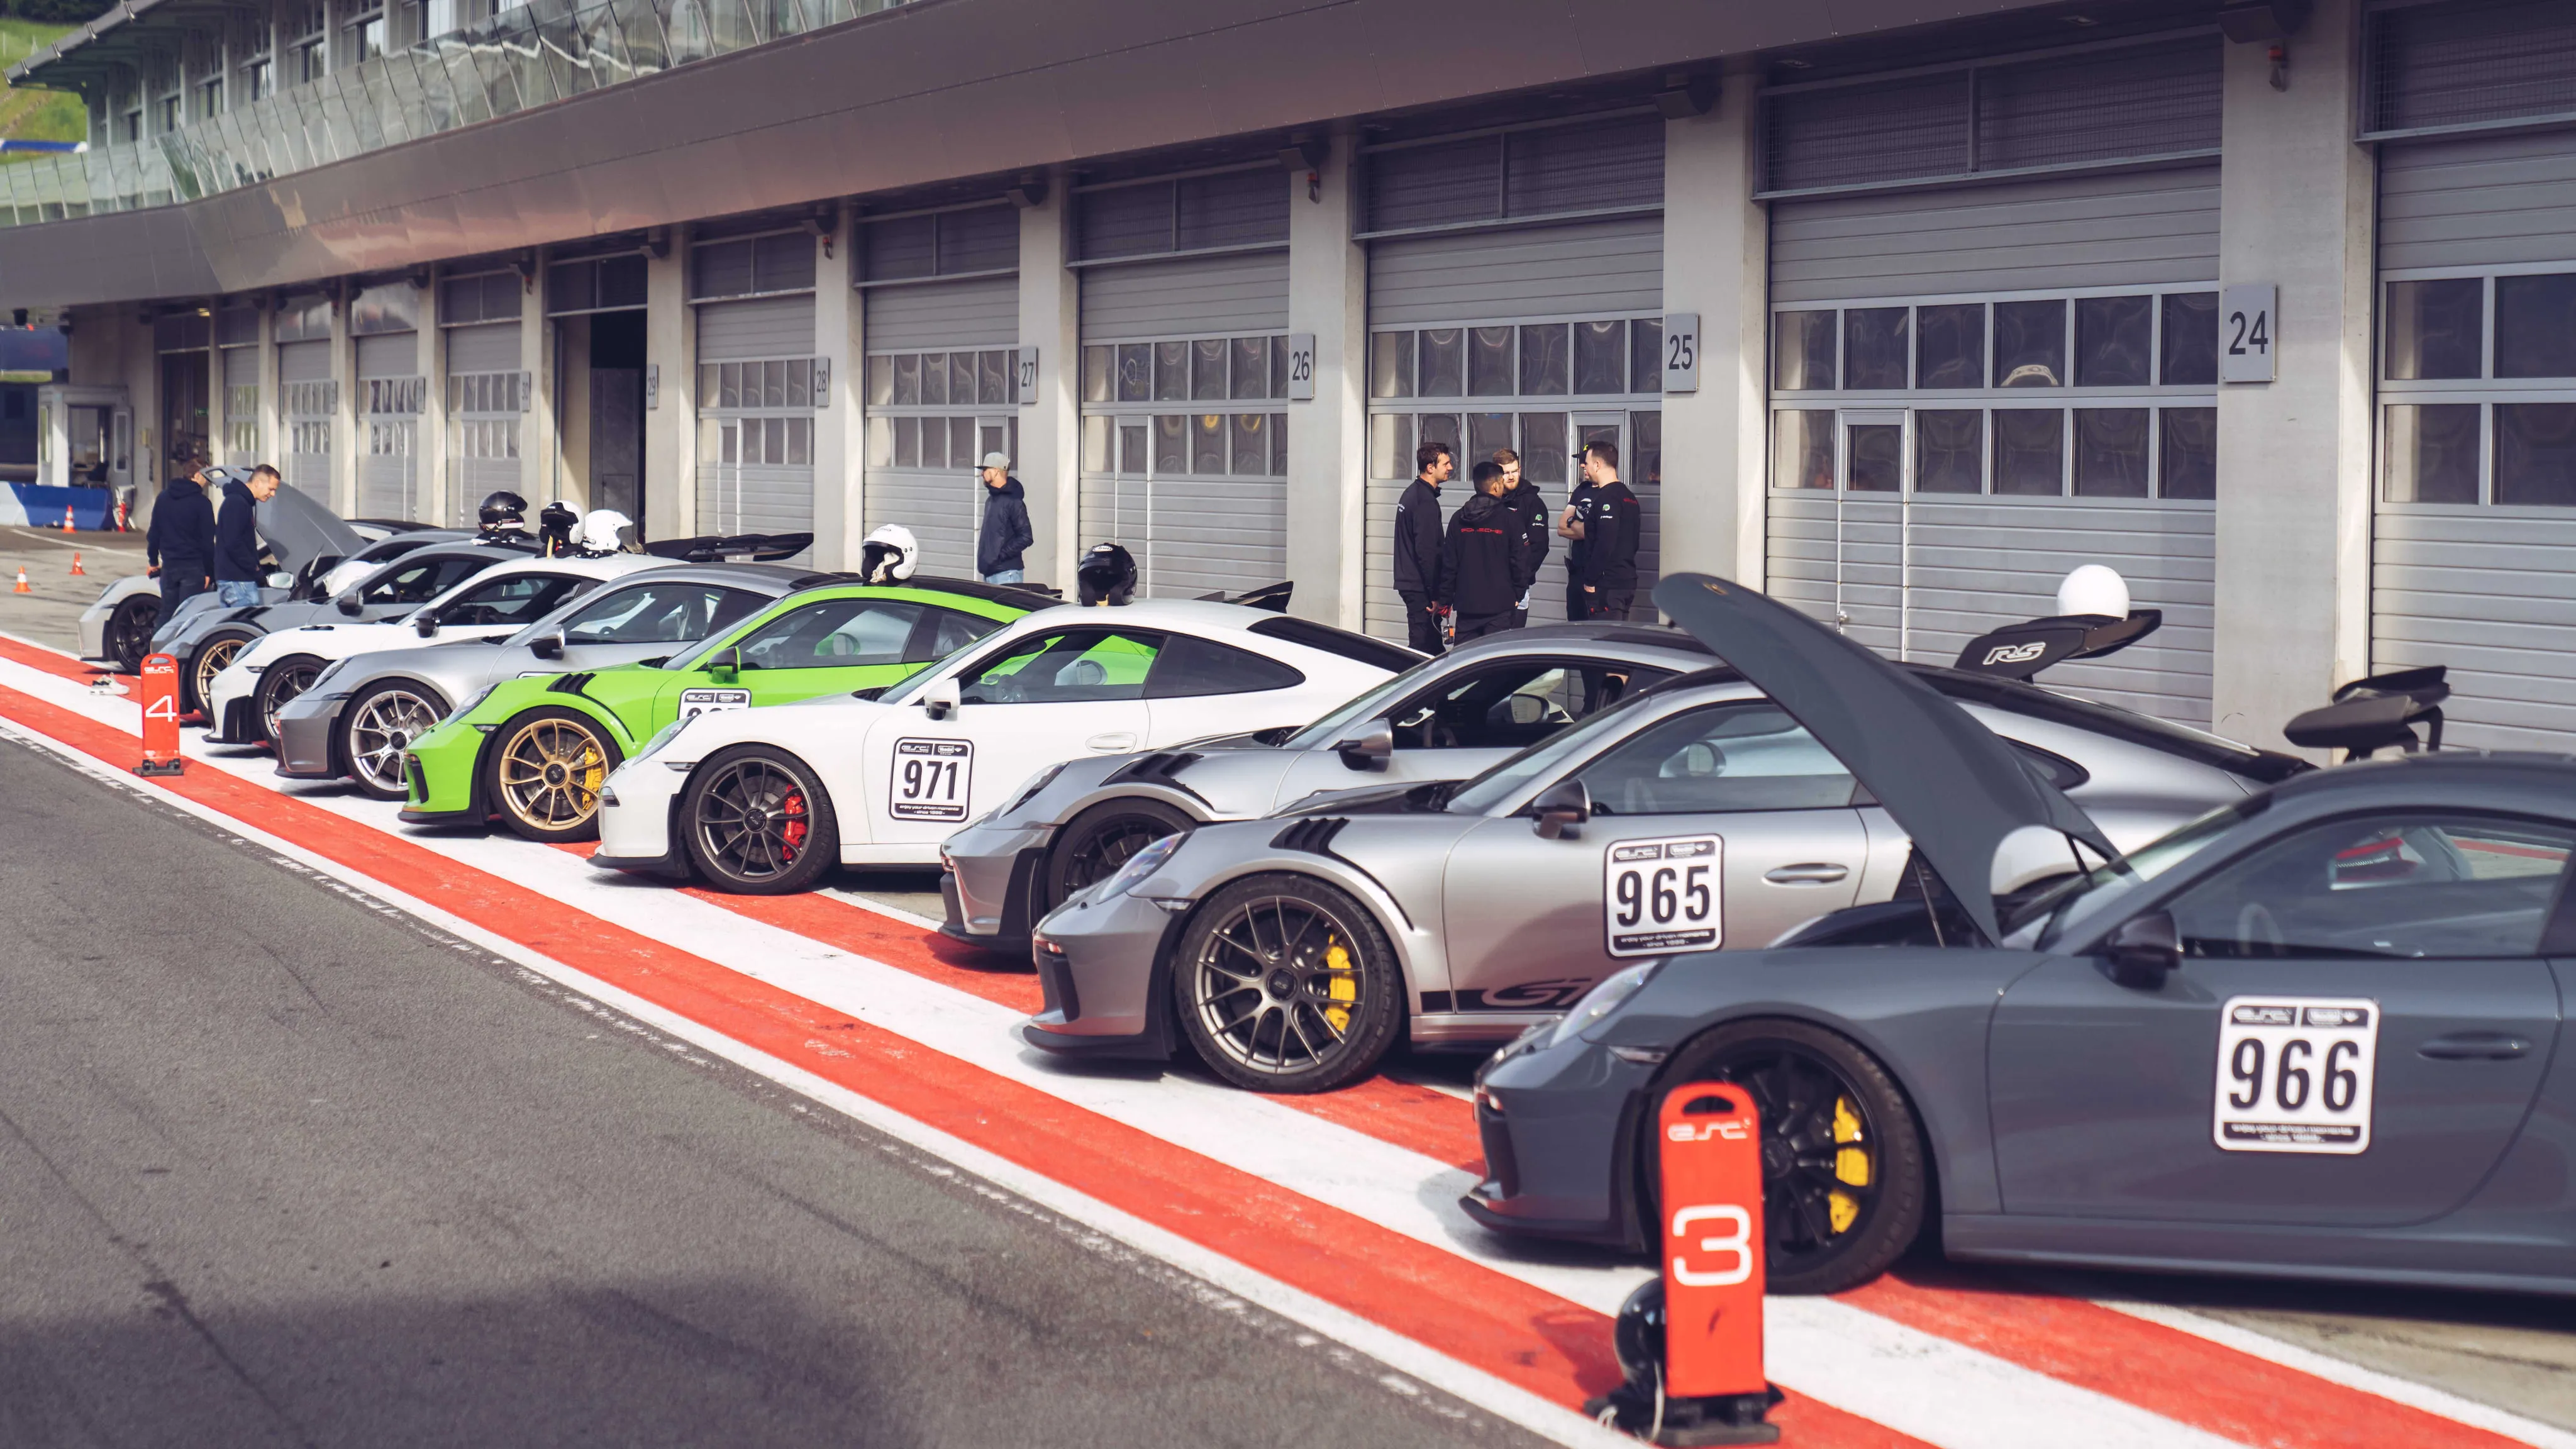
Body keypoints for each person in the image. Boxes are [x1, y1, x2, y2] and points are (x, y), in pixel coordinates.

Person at [1439, 462, 1530, 644]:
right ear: (1496, 486)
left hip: (1467, 608)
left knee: (1464, 663)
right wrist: (1518, 594)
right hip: (1500, 608)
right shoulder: (1510, 519)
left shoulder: (1458, 519)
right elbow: (1521, 561)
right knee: (1494, 664)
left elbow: (1449, 564)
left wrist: (1445, 600)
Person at [1568, 441, 1640, 622]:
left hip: (1607, 586)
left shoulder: (1607, 498)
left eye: (1588, 462)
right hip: (1626, 582)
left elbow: (1605, 543)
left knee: (1603, 641)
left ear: (1598, 465)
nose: (1585, 466)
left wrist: (1590, 580)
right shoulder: (1629, 497)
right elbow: (1634, 543)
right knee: (1617, 639)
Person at [1392, 441, 1452, 653]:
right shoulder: (1424, 501)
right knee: (1420, 648)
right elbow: (1428, 552)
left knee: (1432, 649)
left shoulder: (1412, 493)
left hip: (1413, 584)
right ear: (1430, 467)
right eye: (1445, 463)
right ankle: (1408, 684)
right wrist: (1435, 595)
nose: (1451, 467)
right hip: (1420, 588)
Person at [144, 455, 217, 613]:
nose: (208, 481)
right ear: (197, 475)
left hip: (169, 566)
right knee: (188, 615)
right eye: (207, 476)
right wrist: (209, 572)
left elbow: (154, 531)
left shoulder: (163, 498)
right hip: (193, 568)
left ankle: (159, 638)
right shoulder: (202, 504)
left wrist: (153, 560)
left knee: (167, 614)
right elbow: (207, 543)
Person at [1492, 447, 1548, 628]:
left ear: (1520, 470)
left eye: (1514, 471)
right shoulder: (1489, 499)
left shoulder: (1532, 502)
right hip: (1490, 584)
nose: (1511, 476)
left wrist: (1520, 581)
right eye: (1506, 472)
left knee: (1511, 640)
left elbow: (1538, 547)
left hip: (1518, 587)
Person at [213, 463, 280, 608]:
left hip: (233, 579)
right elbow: (233, 542)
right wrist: (254, 568)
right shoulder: (238, 503)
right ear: (257, 483)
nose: (273, 494)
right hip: (239, 580)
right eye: (271, 489)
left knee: (232, 628)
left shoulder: (238, 502)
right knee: (245, 628)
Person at [976, 452, 1033, 585]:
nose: (982, 474)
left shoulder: (1014, 501)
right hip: (991, 574)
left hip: (1007, 574)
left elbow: (1026, 537)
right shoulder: (991, 500)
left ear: (996, 471)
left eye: (985, 470)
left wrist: (1000, 556)